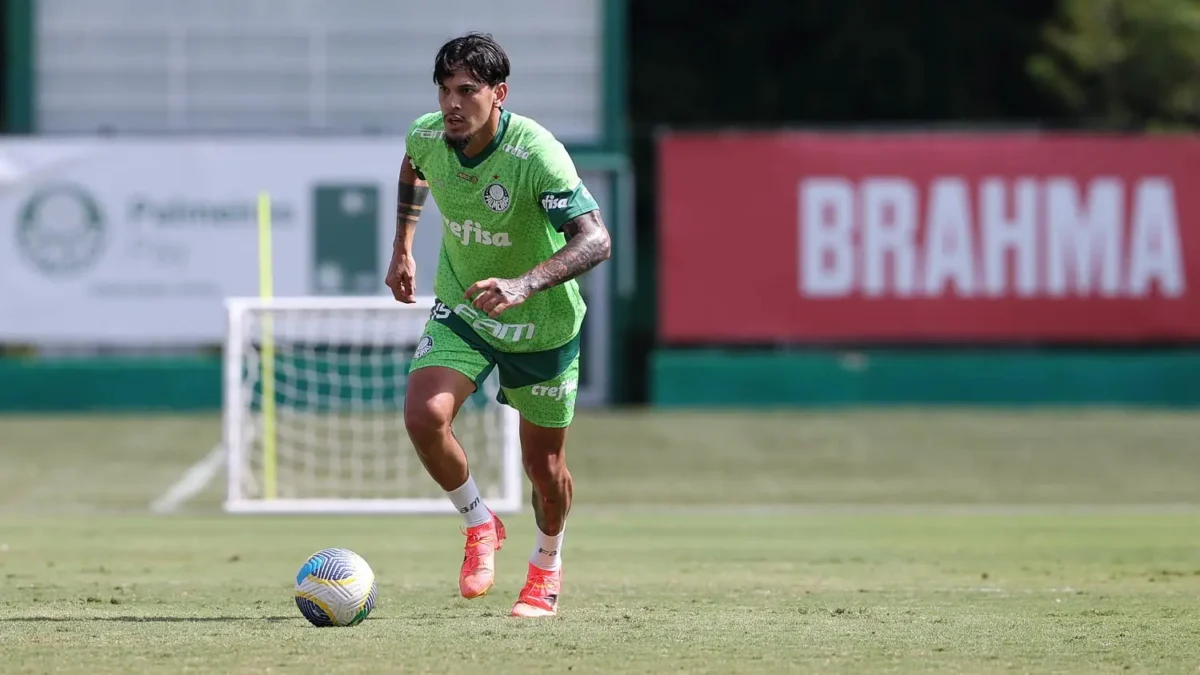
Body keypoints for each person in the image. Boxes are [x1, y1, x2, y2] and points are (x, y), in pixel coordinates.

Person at [385, 32, 612, 618]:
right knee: (423, 414)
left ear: (499, 94)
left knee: (545, 469)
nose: (452, 104)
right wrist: (403, 248)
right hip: (465, 308)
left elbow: (597, 240)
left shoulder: (536, 154)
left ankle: (546, 567)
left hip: (541, 324)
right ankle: (479, 523)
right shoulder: (428, 135)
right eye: (444, 90)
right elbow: (414, 169)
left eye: (467, 91)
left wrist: (523, 284)